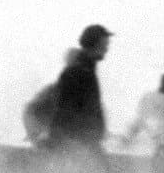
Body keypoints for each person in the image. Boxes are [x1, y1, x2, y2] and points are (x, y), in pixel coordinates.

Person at [23, 24, 113, 152]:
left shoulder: (87, 71)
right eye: (104, 44)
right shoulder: (77, 72)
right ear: (95, 44)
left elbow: (88, 109)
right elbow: (64, 111)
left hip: (84, 144)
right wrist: (53, 140)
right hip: (76, 146)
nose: (107, 49)